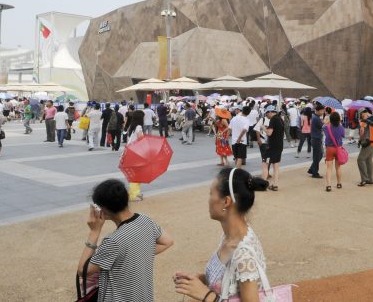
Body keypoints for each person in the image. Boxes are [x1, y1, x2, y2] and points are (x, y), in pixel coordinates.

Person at [174, 168, 269, 302]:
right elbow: (227, 280)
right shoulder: (230, 236)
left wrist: (206, 295)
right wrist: (198, 280)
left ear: (226, 201)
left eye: (211, 193)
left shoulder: (244, 257)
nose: (208, 200)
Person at [77, 179, 173, 302]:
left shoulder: (113, 241)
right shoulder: (145, 220)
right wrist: (134, 254)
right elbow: (168, 241)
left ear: (102, 209)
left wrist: (94, 232)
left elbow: (83, 271)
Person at [323, 111, 345, 192]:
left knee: (329, 168)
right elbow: (343, 135)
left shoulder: (327, 127)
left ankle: (328, 185)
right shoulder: (341, 127)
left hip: (329, 148)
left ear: (330, 119)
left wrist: (327, 121)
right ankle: (339, 183)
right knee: (338, 167)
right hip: (338, 148)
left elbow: (324, 126)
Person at [264, 105, 285, 191]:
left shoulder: (273, 119)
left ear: (270, 112)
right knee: (276, 166)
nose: (266, 115)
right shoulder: (280, 119)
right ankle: (275, 185)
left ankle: (262, 184)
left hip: (272, 146)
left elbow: (269, 133)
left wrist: (263, 128)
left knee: (265, 164)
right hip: (279, 145)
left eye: (266, 113)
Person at [356, 109, 373, 186]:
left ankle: (364, 179)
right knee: (368, 160)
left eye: (362, 115)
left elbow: (362, 131)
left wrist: (360, 139)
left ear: (365, 113)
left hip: (367, 142)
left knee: (360, 159)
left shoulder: (365, 120)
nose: (362, 116)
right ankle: (370, 179)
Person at [307, 105, 325, 178]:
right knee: (317, 156)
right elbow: (322, 126)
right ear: (318, 110)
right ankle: (315, 173)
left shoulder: (314, 117)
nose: (323, 112)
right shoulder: (316, 118)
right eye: (322, 111)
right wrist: (323, 122)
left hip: (315, 138)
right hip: (316, 139)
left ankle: (312, 169)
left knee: (319, 155)